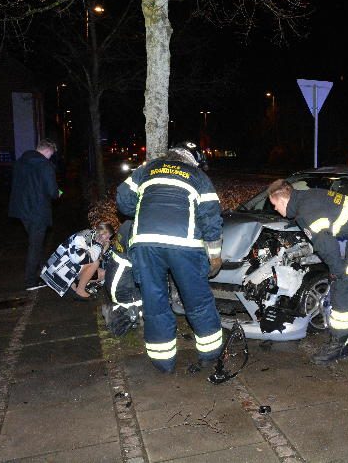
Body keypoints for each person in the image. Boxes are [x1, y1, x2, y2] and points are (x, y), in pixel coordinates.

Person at [116, 141, 223, 374]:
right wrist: (215, 257)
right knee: (198, 300)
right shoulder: (198, 176)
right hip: (184, 246)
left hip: (145, 244)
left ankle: (163, 363)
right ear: (193, 159)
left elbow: (123, 200)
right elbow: (211, 218)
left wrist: (146, 210)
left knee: (154, 301)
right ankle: (210, 355)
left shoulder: (148, 168)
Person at [267, 179, 348, 365]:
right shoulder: (306, 198)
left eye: (275, 205)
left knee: (345, 285)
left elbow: (326, 246)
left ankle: (338, 345)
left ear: (283, 200)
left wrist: (337, 271)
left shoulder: (305, 212)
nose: (275, 209)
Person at [8, 138, 60, 290]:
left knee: (35, 242)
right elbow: (53, 192)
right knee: (35, 245)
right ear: (47, 151)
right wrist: (58, 192)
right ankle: (30, 282)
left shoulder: (20, 162)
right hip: (37, 210)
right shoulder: (45, 165)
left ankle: (43, 269)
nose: (51, 157)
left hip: (22, 210)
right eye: (51, 154)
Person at [41, 223, 114, 300]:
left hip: (71, 269)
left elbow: (94, 257)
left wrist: (103, 249)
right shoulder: (84, 236)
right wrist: (98, 246)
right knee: (95, 263)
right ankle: (80, 291)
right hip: (56, 272)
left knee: (103, 274)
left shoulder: (95, 239)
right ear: (102, 233)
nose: (108, 240)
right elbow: (81, 258)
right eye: (108, 237)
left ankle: (73, 284)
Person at [101, 219, 143, 336]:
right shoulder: (138, 233)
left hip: (115, 274)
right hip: (121, 283)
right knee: (146, 309)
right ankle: (115, 313)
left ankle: (119, 307)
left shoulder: (128, 224)